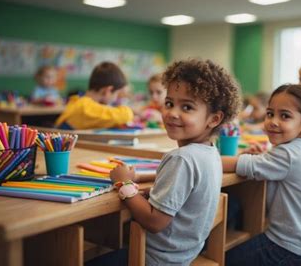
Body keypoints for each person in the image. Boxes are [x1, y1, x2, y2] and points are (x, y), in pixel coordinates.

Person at [93, 59, 241, 265]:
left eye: (187, 107)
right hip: (184, 254)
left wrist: (123, 184)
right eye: (170, 103)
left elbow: (154, 222)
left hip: (156, 259)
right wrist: (142, 185)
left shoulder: (181, 158)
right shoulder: (210, 152)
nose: (172, 113)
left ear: (214, 119)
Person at [222, 84, 301, 266]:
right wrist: (261, 157)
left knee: (224, 260)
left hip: (285, 247)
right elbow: (278, 164)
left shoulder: (287, 154)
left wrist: (205, 158)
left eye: (284, 116)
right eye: (270, 114)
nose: (273, 121)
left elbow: (241, 164)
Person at [54, 61, 133, 129]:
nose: (116, 98)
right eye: (117, 93)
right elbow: (126, 115)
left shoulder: (79, 101)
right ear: (107, 91)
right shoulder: (85, 107)